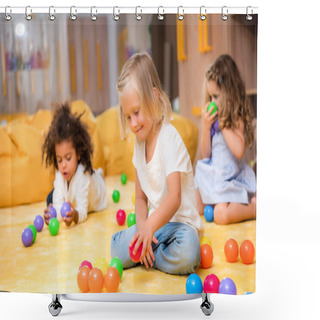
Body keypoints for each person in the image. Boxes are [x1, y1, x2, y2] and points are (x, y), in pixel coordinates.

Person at [111, 53, 203, 275]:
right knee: (116, 249)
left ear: (153, 97)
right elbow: (141, 198)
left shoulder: (169, 139)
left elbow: (174, 197)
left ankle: (148, 256)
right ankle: (150, 250)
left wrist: (148, 230)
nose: (133, 123)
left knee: (189, 252)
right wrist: (143, 228)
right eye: (128, 116)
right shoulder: (139, 145)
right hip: (154, 229)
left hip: (181, 228)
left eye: (136, 112)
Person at [194, 54, 256, 225]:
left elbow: (239, 150)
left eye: (215, 96)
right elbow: (205, 155)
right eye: (210, 96)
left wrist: (224, 125)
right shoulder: (213, 120)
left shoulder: (236, 118)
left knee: (221, 215)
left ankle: (253, 208)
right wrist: (206, 128)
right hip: (215, 174)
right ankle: (219, 202)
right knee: (197, 205)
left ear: (229, 94)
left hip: (231, 178)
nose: (212, 101)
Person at [42, 103, 107, 227]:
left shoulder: (83, 175)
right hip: (75, 193)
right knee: (51, 198)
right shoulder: (60, 175)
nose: (63, 165)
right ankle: (97, 172)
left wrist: (75, 216)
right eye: (59, 160)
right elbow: (58, 207)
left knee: (94, 178)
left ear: (78, 154)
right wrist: (52, 216)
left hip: (97, 193)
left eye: (68, 158)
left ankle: (99, 174)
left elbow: (83, 210)